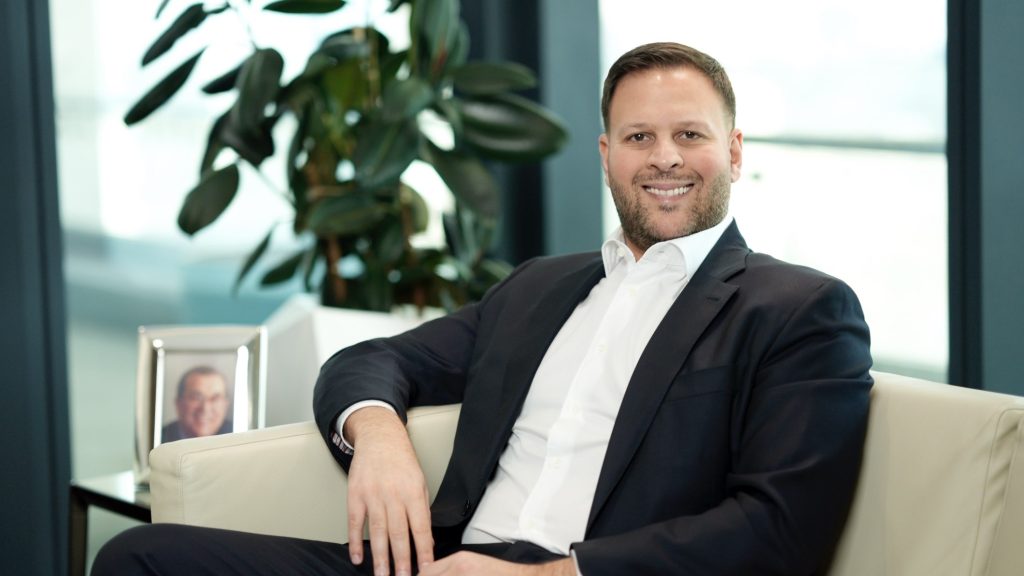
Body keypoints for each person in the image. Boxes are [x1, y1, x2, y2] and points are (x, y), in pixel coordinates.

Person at [93, 42, 872, 576]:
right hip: (440, 561)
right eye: (639, 136)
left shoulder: (800, 309)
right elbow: (374, 359)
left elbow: (779, 530)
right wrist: (380, 438)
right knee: (140, 558)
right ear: (607, 157)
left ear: (733, 151)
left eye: (689, 134)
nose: (664, 156)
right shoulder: (541, 287)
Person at [160, 366, 233, 442]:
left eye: (215, 399)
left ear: (226, 405)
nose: (205, 408)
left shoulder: (237, 434)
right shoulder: (158, 440)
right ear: (179, 403)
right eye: (196, 398)